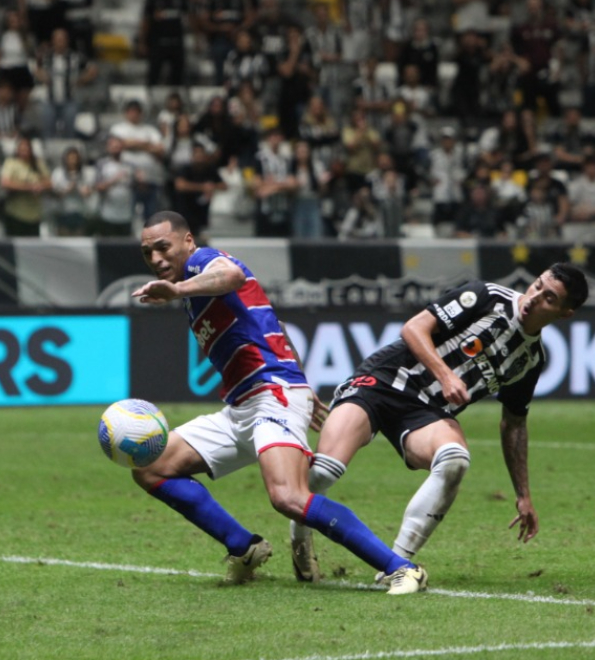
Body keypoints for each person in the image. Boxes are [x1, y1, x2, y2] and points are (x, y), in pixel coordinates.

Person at [130, 210, 428, 595]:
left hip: (271, 395)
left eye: (162, 247)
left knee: (288, 496)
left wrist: (180, 290)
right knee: (151, 467)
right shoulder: (193, 289)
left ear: (188, 241)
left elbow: (233, 275)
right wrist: (303, 385)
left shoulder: (202, 262)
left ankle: (402, 569)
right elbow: (279, 327)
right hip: (244, 406)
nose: (155, 259)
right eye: (147, 253)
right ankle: (244, 548)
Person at [287, 263, 589, 582]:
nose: (534, 297)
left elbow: (514, 422)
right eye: (537, 285)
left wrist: (524, 495)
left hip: (424, 412)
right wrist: (445, 375)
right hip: (382, 381)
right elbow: (414, 328)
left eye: (549, 298)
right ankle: (300, 535)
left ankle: (396, 567)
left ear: (565, 313)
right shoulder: (486, 297)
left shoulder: (531, 361)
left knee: (455, 461)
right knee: (325, 471)